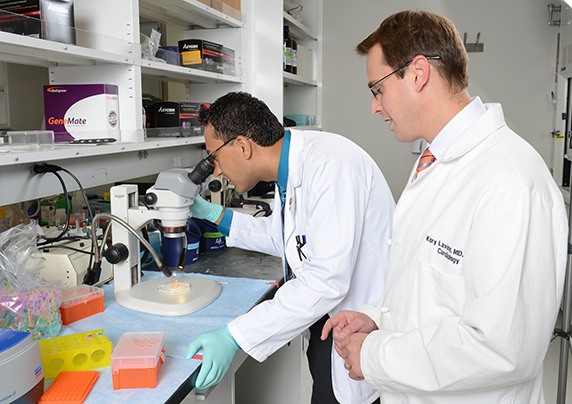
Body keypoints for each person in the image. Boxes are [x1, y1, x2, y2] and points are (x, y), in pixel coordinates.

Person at [321, 9, 569, 404]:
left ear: (418, 73)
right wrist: (378, 316)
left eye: (377, 89)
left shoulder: (510, 184)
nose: (375, 106)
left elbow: (501, 348)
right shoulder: (434, 164)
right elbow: (431, 293)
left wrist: (374, 354)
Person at [186, 91, 395, 404]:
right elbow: (287, 239)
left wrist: (236, 336)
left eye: (213, 157)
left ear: (243, 146)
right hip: (330, 325)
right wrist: (217, 216)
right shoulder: (293, 170)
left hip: (355, 330)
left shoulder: (329, 167)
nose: (215, 171)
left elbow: (325, 280)